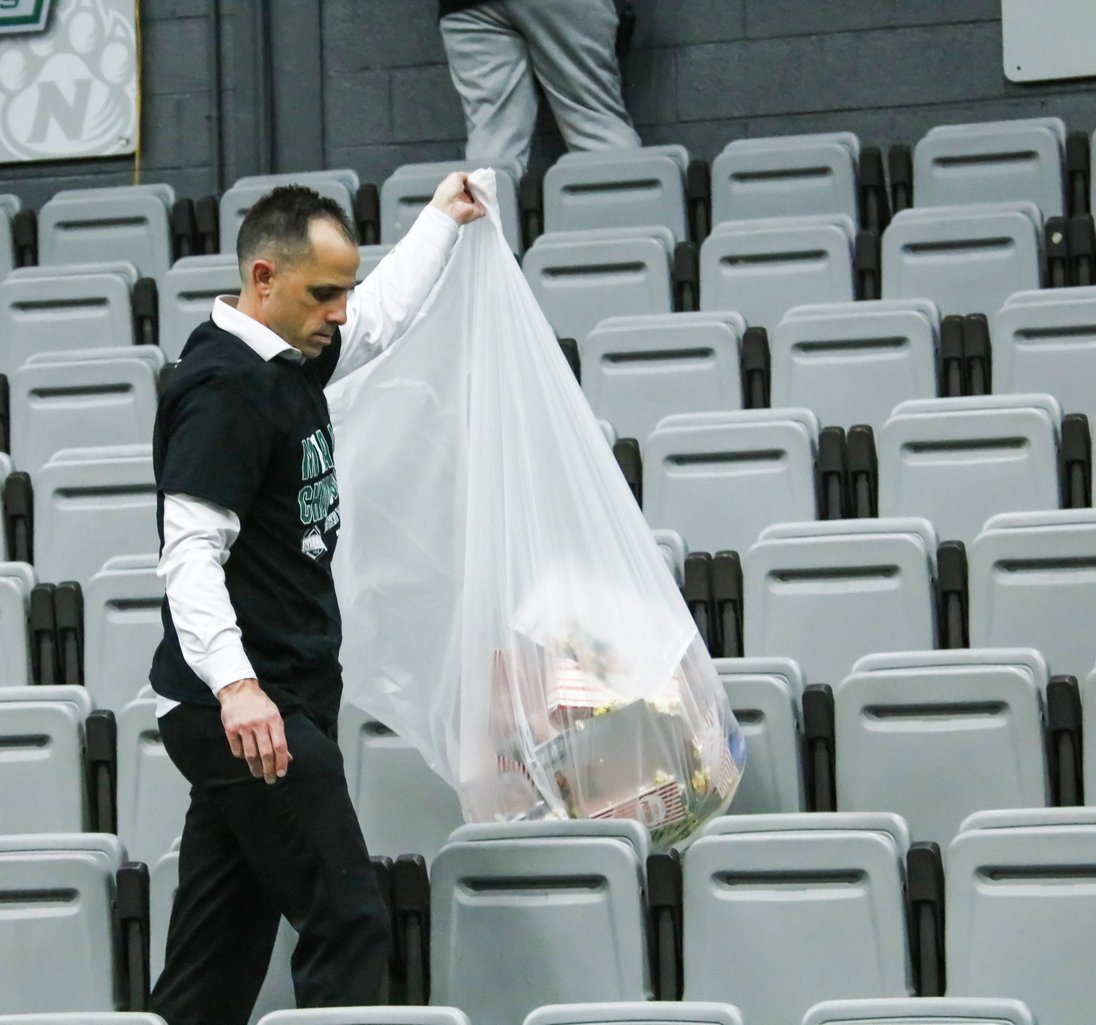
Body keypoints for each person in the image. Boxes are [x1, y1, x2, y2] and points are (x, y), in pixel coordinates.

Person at [147, 174, 485, 1025]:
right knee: (349, 918)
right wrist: (238, 687)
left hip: (269, 702)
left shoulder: (287, 350)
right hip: (250, 710)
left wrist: (442, 217)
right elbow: (189, 554)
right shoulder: (225, 388)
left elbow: (377, 318)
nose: (340, 309)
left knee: (214, 965)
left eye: (342, 288)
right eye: (323, 292)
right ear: (263, 278)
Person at [439, 0, 641, 171]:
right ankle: (625, 214)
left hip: (464, 6)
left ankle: (486, 217)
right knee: (597, 129)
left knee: (492, 147)